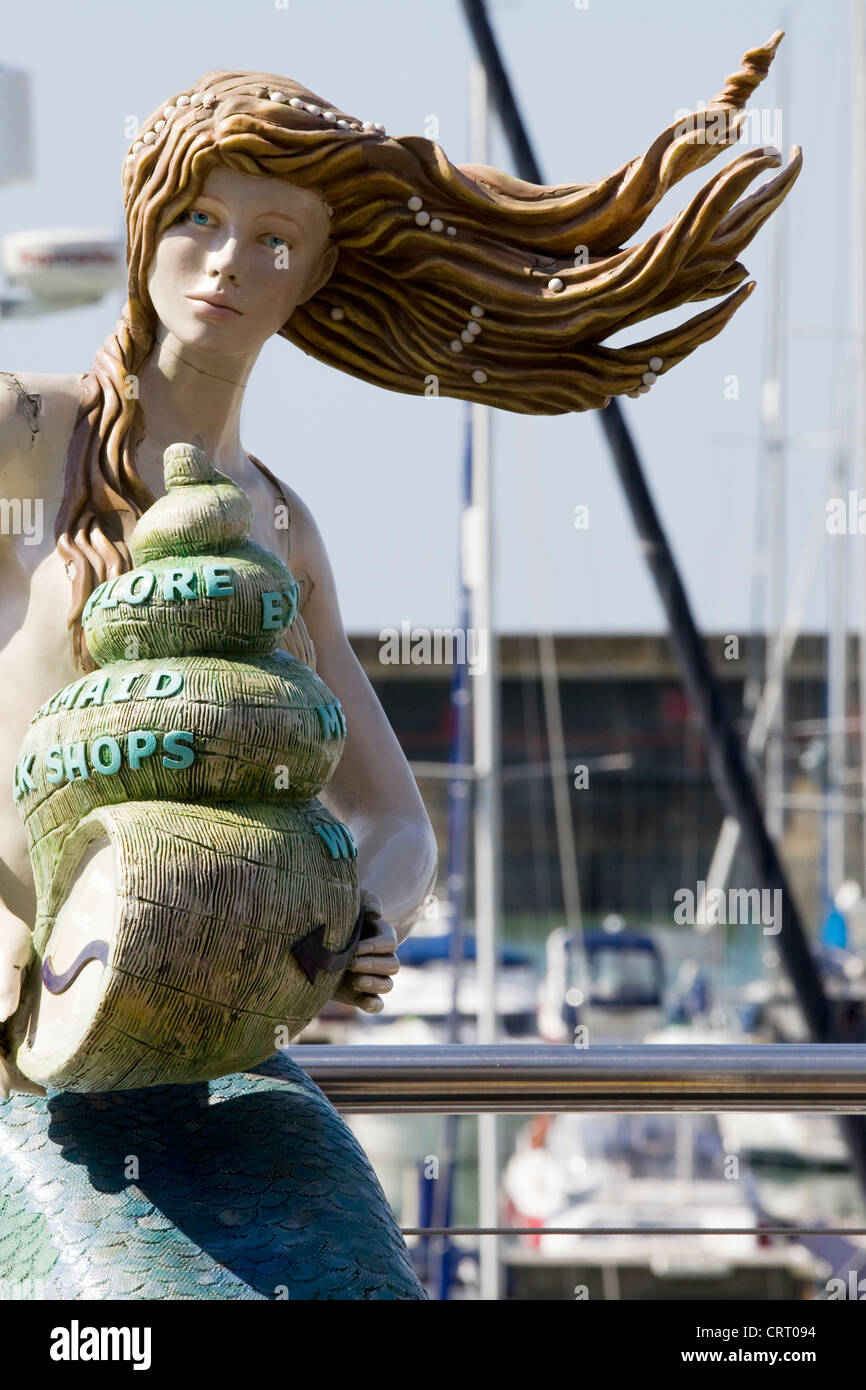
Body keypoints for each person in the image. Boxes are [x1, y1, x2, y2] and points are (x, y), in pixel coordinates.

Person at [0, 34, 800, 1097]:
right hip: (22, 1021)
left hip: (189, 1044)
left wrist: (359, 919)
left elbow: (394, 821)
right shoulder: (27, 430)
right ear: (147, 224)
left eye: (272, 238)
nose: (229, 259)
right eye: (198, 216)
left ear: (317, 274)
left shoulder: (282, 527)